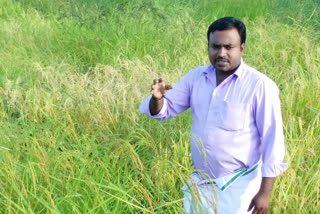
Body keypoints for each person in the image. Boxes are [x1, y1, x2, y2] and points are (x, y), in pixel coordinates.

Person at [139, 17, 288, 214]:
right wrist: (157, 98)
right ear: (208, 46)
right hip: (202, 184)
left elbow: (273, 140)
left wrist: (265, 193)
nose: (221, 53)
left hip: (239, 187)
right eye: (215, 46)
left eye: (229, 47)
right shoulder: (196, 78)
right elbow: (164, 110)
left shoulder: (260, 86)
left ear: (242, 48)